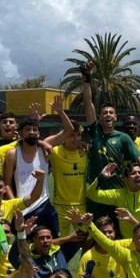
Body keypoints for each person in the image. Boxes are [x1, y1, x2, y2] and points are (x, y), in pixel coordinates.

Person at [79, 61, 140, 219]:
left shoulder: (123, 138)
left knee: (117, 234)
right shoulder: (95, 131)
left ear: (115, 117)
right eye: (104, 113)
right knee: (96, 233)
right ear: (100, 117)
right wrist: (86, 80)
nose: (108, 114)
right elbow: (88, 103)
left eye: (111, 112)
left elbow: (139, 158)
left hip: (117, 192)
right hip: (96, 192)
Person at [3, 118, 62, 236]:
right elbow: (7, 184)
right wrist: (14, 205)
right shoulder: (13, 154)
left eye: (34, 129)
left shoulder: (45, 151)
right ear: (20, 133)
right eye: (27, 130)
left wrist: (59, 112)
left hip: (44, 204)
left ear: (39, 133)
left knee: (50, 243)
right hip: (24, 207)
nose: (31, 132)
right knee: (25, 246)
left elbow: (68, 131)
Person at [46, 95, 88, 260]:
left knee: (85, 239)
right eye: (73, 135)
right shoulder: (55, 152)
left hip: (81, 204)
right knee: (58, 242)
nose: (76, 139)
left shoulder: (85, 152)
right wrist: (60, 112)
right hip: (60, 206)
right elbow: (46, 143)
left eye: (79, 136)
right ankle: (58, 267)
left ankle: (85, 269)